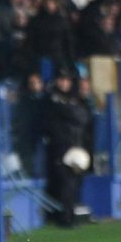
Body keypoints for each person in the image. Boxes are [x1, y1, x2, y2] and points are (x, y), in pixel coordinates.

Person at [41, 69, 92, 227]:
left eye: (67, 80)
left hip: (76, 147)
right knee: (65, 183)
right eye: (61, 80)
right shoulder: (51, 100)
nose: (64, 83)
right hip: (60, 148)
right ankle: (65, 217)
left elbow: (84, 119)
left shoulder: (75, 100)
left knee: (73, 183)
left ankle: (68, 214)